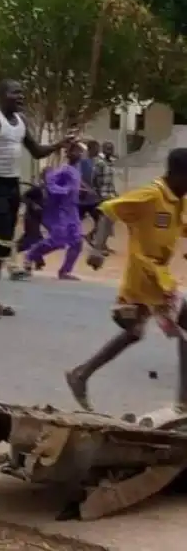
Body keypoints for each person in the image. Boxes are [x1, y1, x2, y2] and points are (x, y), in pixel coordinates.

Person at [65, 148, 187, 413]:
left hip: (159, 275)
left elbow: (182, 227)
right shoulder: (151, 194)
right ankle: (183, 404)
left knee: (133, 332)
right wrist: (97, 248)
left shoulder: (179, 199)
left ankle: (81, 374)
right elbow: (109, 210)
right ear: (177, 174)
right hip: (145, 275)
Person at [0, 79, 72, 320]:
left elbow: (37, 151)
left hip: (12, 185)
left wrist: (60, 144)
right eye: (14, 92)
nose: (20, 97)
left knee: (5, 241)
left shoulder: (21, 122)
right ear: (1, 95)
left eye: (21, 93)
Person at [25, 142, 84, 280]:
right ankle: (30, 255)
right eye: (75, 151)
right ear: (68, 154)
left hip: (73, 210)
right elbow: (50, 183)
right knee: (58, 240)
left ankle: (65, 271)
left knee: (77, 242)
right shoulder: (64, 170)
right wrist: (65, 191)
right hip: (60, 210)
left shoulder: (76, 171)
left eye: (80, 152)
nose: (78, 154)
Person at [92, 140, 118, 253]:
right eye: (107, 148)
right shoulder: (99, 162)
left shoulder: (110, 162)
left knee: (111, 221)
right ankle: (99, 247)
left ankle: (103, 244)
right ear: (103, 149)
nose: (110, 151)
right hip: (103, 195)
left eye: (111, 149)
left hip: (111, 195)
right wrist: (98, 194)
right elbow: (94, 179)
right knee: (103, 222)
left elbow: (110, 181)